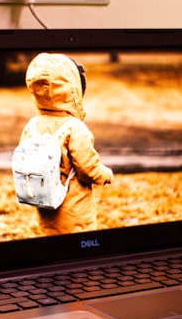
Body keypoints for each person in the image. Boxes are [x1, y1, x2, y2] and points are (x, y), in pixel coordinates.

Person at [20, 52, 113, 234]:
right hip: (75, 215)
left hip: (45, 211)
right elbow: (88, 169)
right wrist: (106, 174)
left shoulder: (31, 126)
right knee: (81, 252)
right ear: (73, 91)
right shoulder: (74, 128)